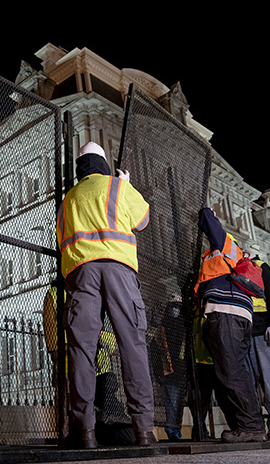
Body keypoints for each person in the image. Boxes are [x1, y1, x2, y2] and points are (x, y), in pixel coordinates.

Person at [56, 141, 155, 448]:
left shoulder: (68, 199)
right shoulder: (117, 187)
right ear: (103, 165)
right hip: (120, 270)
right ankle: (143, 429)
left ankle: (84, 430)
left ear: (79, 170)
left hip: (81, 274)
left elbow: (62, 240)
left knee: (82, 350)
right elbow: (143, 220)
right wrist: (125, 184)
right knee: (132, 345)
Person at [193, 207, 266, 443]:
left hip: (225, 313)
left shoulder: (226, 245)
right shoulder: (232, 256)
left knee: (231, 372)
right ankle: (245, 425)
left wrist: (208, 211)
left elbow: (207, 220)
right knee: (234, 370)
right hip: (238, 315)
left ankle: (251, 426)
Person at [41, 283, 135, 445]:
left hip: (88, 366)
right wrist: (55, 350)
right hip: (75, 365)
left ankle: (88, 434)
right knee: (81, 407)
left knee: (88, 406)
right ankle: (86, 434)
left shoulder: (81, 291)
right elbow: (51, 330)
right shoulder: (60, 293)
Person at [245, 254, 270, 440]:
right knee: (247, 383)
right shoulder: (230, 267)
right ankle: (256, 426)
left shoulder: (260, 266)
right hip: (242, 332)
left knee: (268, 381)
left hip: (262, 331)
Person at [152, 294, 187, 441]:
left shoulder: (184, 327)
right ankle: (173, 433)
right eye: (173, 307)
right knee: (171, 406)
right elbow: (155, 350)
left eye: (178, 307)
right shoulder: (162, 329)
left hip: (182, 372)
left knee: (178, 406)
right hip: (169, 373)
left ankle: (176, 431)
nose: (175, 310)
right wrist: (158, 372)